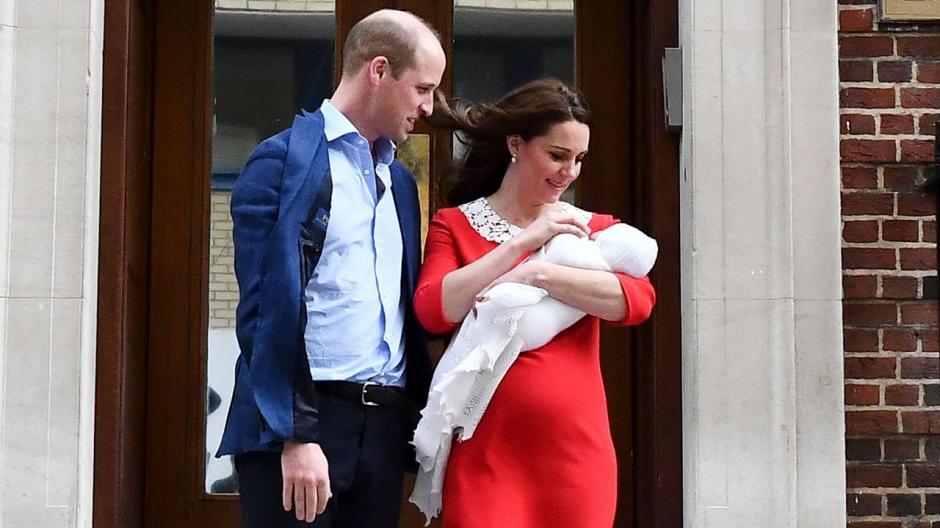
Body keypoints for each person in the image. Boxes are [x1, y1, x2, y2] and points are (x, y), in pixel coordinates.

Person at [216, 9, 446, 528]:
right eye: (423, 89)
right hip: (303, 420)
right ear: (379, 70)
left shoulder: (402, 184)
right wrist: (296, 436)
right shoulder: (278, 163)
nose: (429, 107)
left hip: (383, 427)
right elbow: (262, 311)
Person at [413, 78, 657, 527]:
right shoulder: (456, 224)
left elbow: (638, 300)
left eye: (579, 159)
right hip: (486, 451)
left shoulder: (590, 229)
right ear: (516, 144)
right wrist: (522, 245)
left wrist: (540, 273)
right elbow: (434, 308)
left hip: (575, 457)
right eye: (558, 155)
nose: (570, 172)